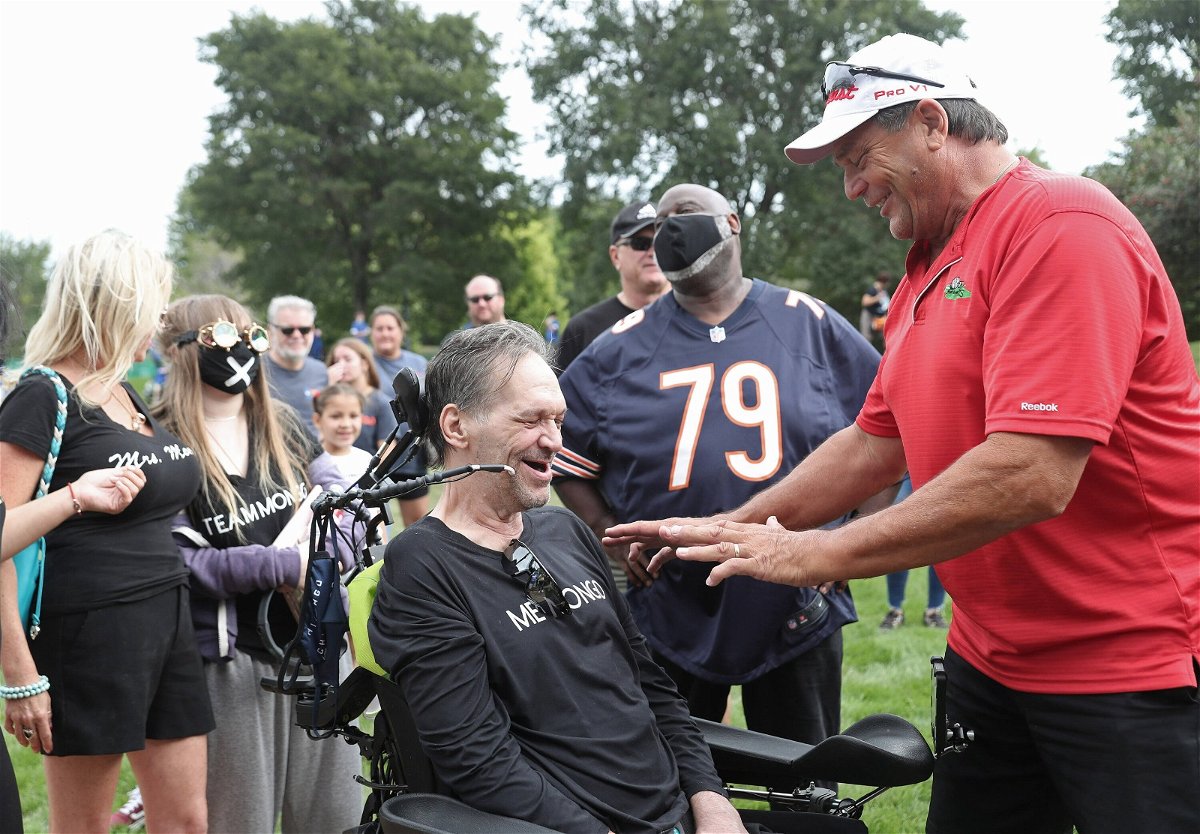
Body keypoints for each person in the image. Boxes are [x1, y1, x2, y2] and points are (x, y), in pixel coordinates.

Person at [607, 33, 1200, 834]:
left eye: (859, 157)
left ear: (930, 122)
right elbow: (874, 441)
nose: (851, 188)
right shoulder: (928, 264)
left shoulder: (1061, 222)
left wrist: (812, 555)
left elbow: (1031, 471)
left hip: (1127, 667)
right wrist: (735, 527)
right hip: (993, 659)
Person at [367, 321, 746, 834]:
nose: (554, 442)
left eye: (559, 420)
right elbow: (479, 761)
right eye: (530, 421)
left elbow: (651, 687)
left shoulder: (563, 528)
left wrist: (713, 801)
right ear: (456, 427)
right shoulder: (422, 567)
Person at [553, 184, 881, 753]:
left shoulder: (809, 323)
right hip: (670, 599)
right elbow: (561, 457)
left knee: (806, 781)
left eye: (685, 214)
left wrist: (849, 543)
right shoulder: (616, 349)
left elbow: (892, 431)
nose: (670, 228)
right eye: (660, 223)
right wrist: (610, 533)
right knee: (670, 779)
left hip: (795, 597)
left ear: (731, 222)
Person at [0, 231, 212, 832]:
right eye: (153, 304)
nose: (160, 318)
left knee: (187, 821)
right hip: (88, 634)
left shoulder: (123, 391)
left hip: (166, 623)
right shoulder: (41, 396)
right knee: (83, 827)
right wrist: (21, 677)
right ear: (117, 305)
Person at [155, 294, 364, 833]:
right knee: (239, 822)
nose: (242, 351)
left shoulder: (284, 424)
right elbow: (180, 563)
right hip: (231, 664)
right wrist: (277, 565)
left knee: (335, 819)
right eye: (223, 338)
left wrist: (331, 540)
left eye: (251, 337)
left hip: (317, 644)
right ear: (182, 350)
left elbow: (338, 501)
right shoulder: (161, 442)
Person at [554, 199, 670, 373]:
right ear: (615, 256)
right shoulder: (583, 330)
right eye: (641, 244)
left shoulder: (700, 317)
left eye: (661, 241)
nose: (653, 252)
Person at [367, 306, 429, 525]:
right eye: (379, 328)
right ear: (371, 333)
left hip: (411, 452)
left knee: (417, 522)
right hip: (377, 453)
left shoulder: (419, 363)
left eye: (390, 328)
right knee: (371, 522)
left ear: (401, 332)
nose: (385, 333)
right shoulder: (364, 363)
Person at [263, 295, 330, 439]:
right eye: (287, 330)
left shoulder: (320, 371)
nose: (297, 335)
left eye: (304, 329)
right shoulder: (255, 370)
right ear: (270, 331)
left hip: (315, 458)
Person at [326, 336, 398, 453]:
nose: (341, 365)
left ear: (364, 364)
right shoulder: (329, 399)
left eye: (347, 359)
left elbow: (387, 451)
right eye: (336, 361)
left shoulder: (381, 403)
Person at [312, 383, 373, 485]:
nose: (346, 424)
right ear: (317, 420)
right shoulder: (312, 462)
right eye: (336, 416)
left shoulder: (367, 460)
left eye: (353, 416)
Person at [858, 272, 891, 345]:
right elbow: (864, 302)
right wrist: (877, 298)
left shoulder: (884, 292)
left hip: (880, 317)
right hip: (869, 316)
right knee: (866, 337)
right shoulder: (872, 290)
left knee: (887, 335)